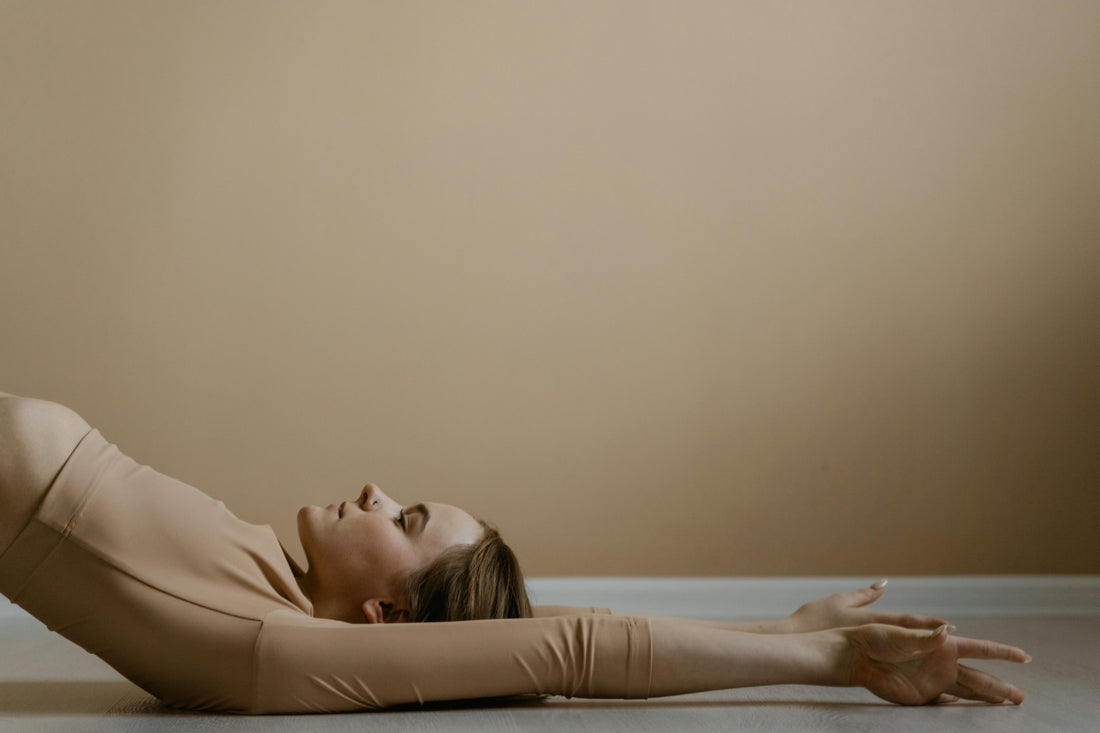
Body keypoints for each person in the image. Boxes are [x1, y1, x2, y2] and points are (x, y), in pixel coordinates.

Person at [0, 392, 1029, 713]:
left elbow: (573, 651)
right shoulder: (275, 595)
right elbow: (565, 626)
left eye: (405, 520)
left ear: (390, 619)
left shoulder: (280, 651)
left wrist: (830, 661)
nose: (376, 491)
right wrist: (785, 625)